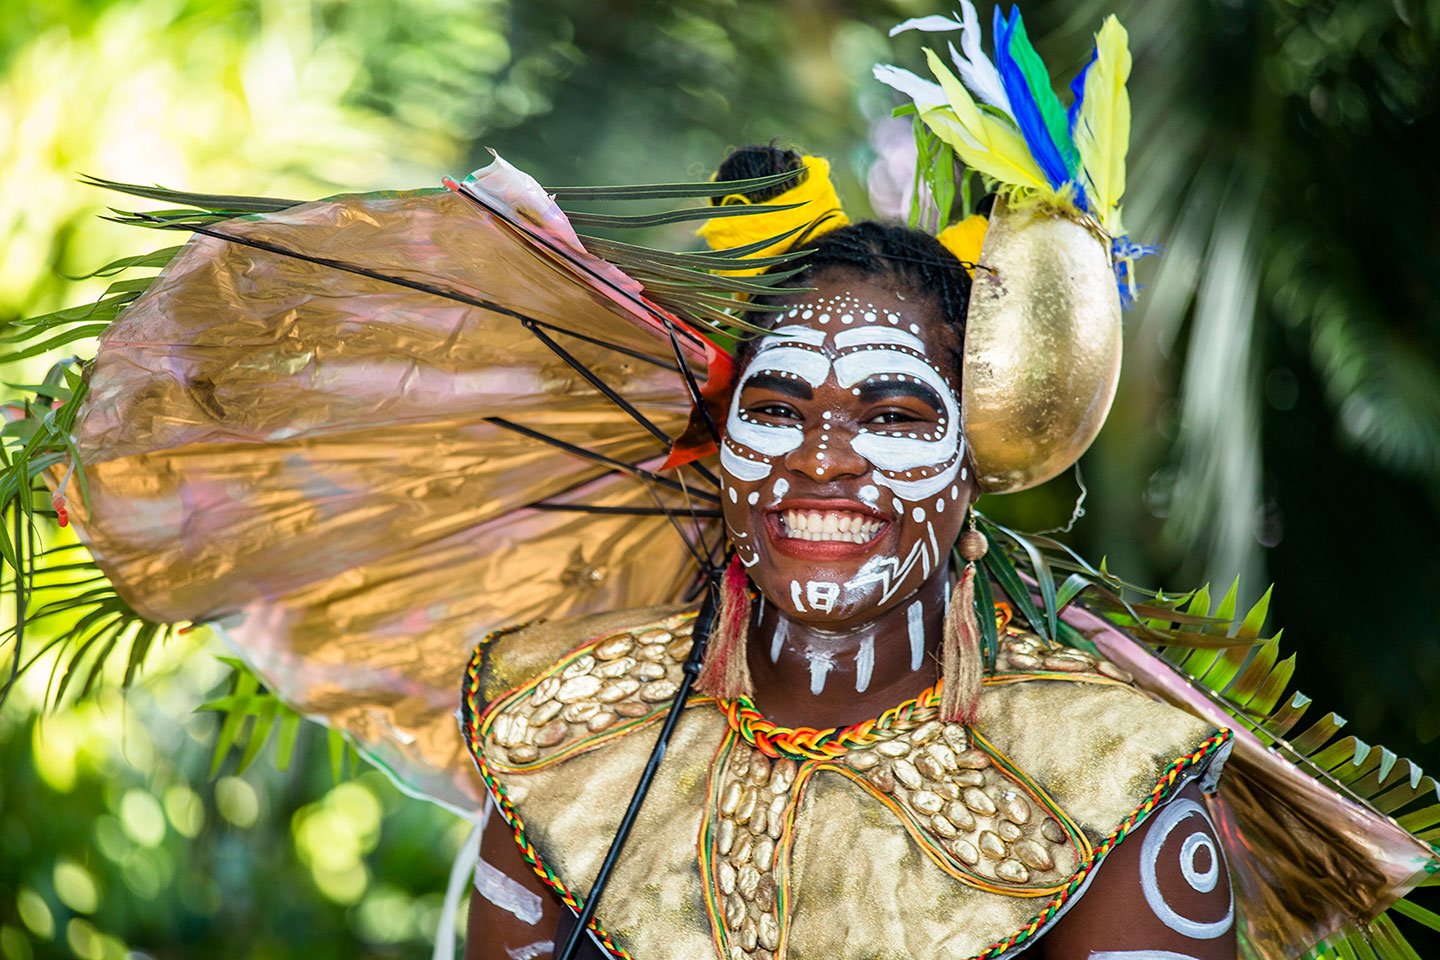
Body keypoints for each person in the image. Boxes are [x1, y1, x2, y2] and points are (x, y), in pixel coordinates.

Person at [459, 146, 1238, 960]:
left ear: (976, 457)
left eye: (895, 417)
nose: (820, 459)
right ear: (722, 446)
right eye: (774, 409)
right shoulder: (564, 736)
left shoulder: (1104, 776)